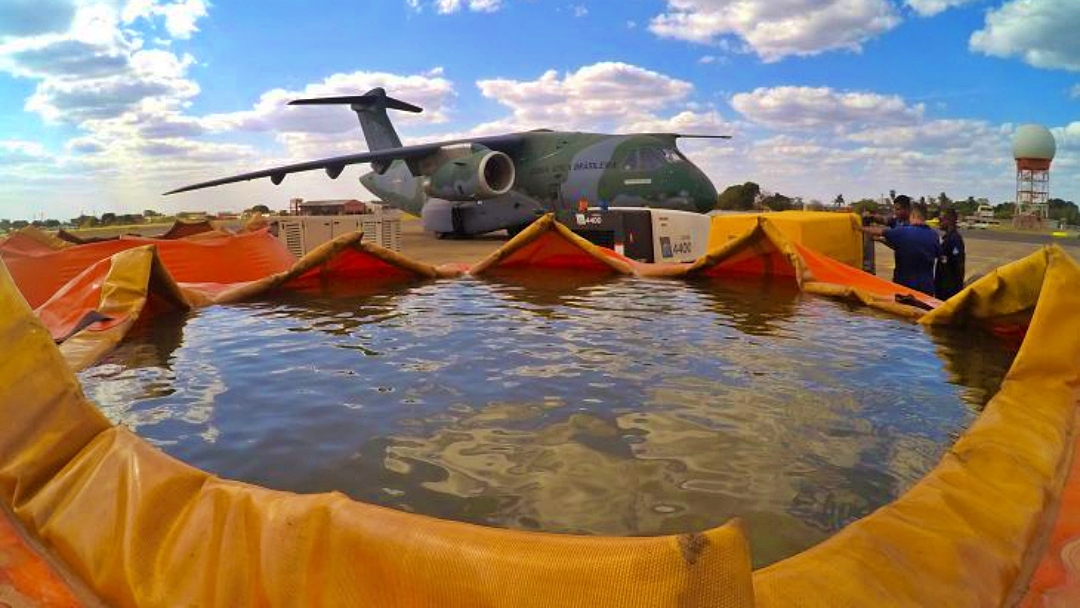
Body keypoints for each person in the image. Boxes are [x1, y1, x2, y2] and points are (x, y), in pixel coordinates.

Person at [861, 201, 939, 295]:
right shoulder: (934, 235)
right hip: (927, 287)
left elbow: (879, 231)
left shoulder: (904, 231)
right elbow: (937, 253)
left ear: (913, 215)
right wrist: (880, 240)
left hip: (905, 287)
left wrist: (858, 227)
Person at [935, 208, 965, 300]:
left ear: (949, 220)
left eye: (940, 219)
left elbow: (958, 265)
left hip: (949, 291)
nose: (938, 222)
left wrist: (956, 288)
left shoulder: (954, 239)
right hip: (943, 288)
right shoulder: (948, 238)